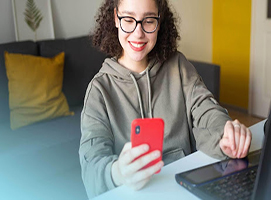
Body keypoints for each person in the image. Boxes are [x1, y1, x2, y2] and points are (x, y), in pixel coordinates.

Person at [79, 0, 252, 198]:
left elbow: (207, 110)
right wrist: (117, 173)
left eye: (149, 20)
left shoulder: (178, 66)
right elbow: (91, 164)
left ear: (159, 22)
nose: (138, 33)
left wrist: (226, 133)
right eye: (128, 19)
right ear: (116, 18)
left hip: (185, 189)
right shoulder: (99, 90)